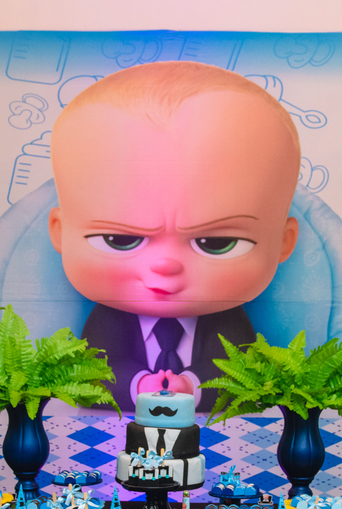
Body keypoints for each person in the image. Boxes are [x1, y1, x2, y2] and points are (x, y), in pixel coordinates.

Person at [48, 62, 300, 411]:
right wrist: (138, 386)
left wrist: (192, 387)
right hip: (113, 435)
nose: (166, 266)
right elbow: (92, 375)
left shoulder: (226, 321)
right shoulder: (108, 320)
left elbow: (240, 375)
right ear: (60, 234)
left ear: (284, 242)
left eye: (216, 243)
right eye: (120, 240)